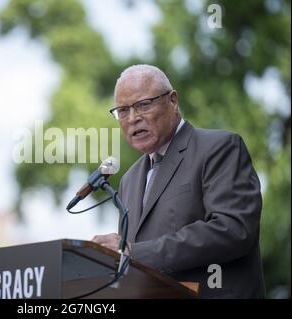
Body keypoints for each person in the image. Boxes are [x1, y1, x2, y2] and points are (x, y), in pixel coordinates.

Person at [92, 64, 265, 298]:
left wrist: (135, 253)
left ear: (173, 101)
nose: (132, 118)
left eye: (143, 105)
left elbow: (232, 230)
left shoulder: (219, 148)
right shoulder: (129, 180)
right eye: (122, 110)